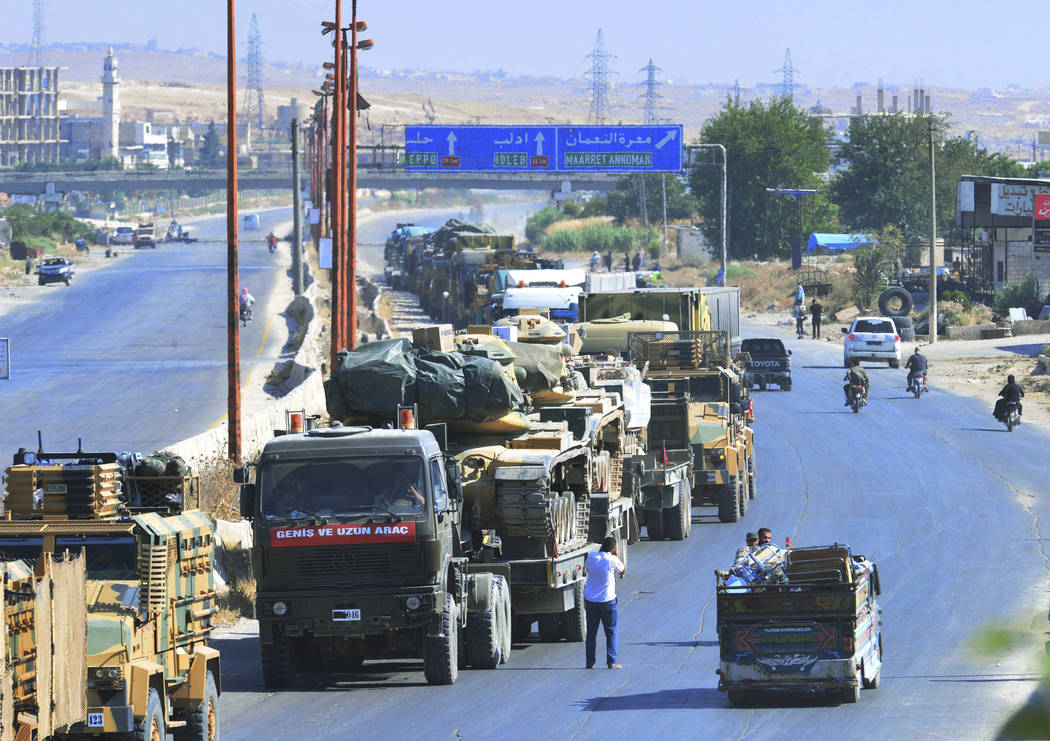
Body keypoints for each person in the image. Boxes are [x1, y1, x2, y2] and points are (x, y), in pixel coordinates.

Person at [584, 536, 625, 670]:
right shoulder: (612, 559)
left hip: (591, 601)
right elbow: (622, 570)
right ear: (613, 549)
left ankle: (590, 663)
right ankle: (611, 662)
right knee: (611, 632)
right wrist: (617, 555)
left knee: (591, 634)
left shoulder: (591, 557)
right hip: (607, 602)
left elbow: (588, 569)